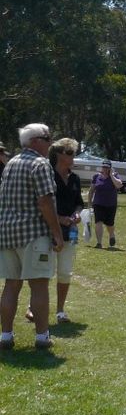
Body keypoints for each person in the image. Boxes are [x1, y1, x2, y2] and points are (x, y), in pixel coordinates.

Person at [0, 124, 63, 351]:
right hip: (33, 234)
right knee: (39, 286)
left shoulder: (11, 164)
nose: (50, 143)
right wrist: (57, 233)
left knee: (11, 285)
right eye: (48, 138)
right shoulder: (39, 164)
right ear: (36, 141)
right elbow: (45, 202)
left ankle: (5, 336)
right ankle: (42, 336)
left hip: (7, 234)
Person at [27, 138, 83, 325]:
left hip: (70, 233)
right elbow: (41, 204)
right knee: (43, 272)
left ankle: (60, 311)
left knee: (65, 272)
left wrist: (76, 215)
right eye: (70, 153)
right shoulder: (47, 175)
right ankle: (32, 307)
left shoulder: (74, 178)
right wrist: (59, 219)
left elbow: (79, 203)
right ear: (59, 155)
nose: (74, 156)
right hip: (47, 232)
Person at [88, 159, 123, 249]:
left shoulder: (115, 175)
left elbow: (119, 185)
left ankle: (112, 235)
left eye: (107, 167)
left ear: (110, 168)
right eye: (103, 167)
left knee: (109, 224)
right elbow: (91, 190)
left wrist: (111, 175)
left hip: (111, 204)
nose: (105, 168)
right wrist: (89, 203)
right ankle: (99, 243)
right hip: (98, 203)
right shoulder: (96, 176)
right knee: (98, 221)